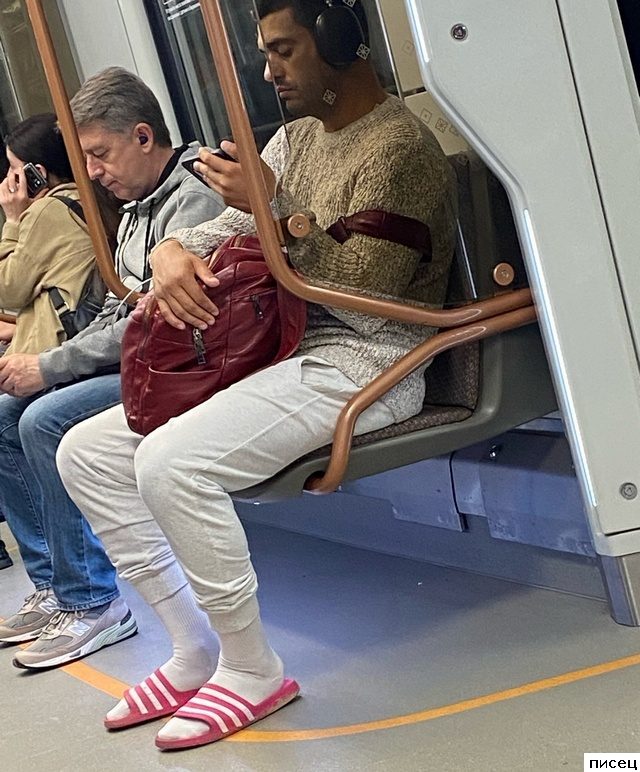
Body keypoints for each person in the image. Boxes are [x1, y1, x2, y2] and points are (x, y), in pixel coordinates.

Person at [58, 0, 457, 750]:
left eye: (284, 50)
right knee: (85, 452)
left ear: (338, 42)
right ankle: (192, 647)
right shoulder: (296, 140)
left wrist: (275, 208)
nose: (269, 71)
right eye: (266, 53)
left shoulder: (400, 149)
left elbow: (369, 293)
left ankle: (252, 666)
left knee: (170, 464)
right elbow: (226, 227)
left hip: (369, 358)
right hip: (284, 348)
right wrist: (173, 250)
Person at [0, 67, 224, 668]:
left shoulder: (194, 200)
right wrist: (51, 363)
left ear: (144, 137)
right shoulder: (131, 211)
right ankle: (54, 584)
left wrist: (51, 366)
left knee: (43, 420)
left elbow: (159, 320)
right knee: (6, 415)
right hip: (141, 356)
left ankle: (93, 600)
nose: (92, 172)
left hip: (187, 363)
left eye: (99, 154)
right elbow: (115, 308)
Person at [0, 114, 97, 356]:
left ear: (37, 173)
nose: (7, 177)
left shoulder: (47, 211)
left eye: (13, 168)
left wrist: (12, 220)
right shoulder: (87, 197)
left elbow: (7, 290)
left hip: (45, 350)